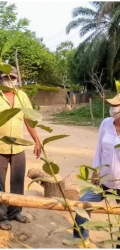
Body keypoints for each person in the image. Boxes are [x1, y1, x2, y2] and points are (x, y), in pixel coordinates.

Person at [0, 67, 41, 230]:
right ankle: (2, 217)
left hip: (18, 146)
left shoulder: (22, 96)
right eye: (6, 77)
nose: (10, 80)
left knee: (18, 182)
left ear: (16, 79)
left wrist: (37, 141)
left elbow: (28, 120)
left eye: (13, 78)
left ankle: (15, 212)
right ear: (0, 79)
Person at [63, 93, 120, 247]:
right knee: (83, 204)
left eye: (116, 106)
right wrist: (95, 173)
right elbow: (99, 150)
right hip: (103, 179)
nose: (112, 109)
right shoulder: (106, 123)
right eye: (111, 106)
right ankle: (80, 236)